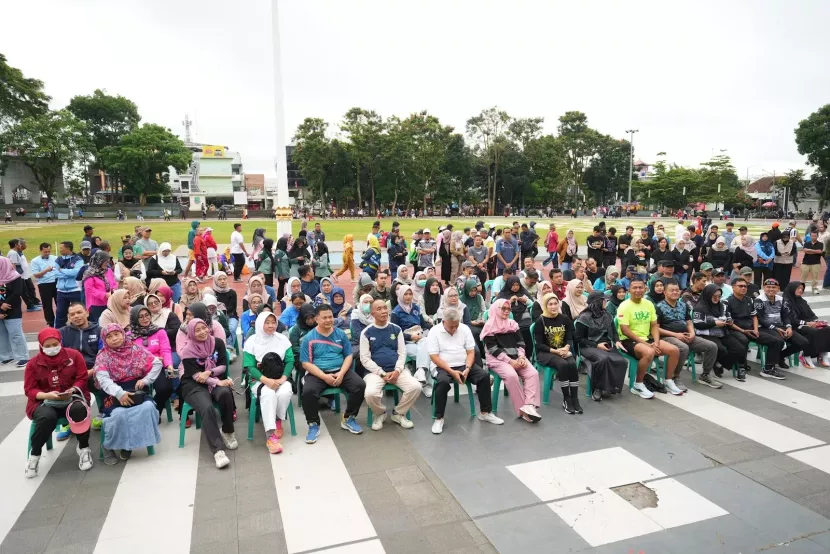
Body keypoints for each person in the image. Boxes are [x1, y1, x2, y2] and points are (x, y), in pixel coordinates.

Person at [24, 328, 92, 477]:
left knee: (79, 409)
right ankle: (34, 456)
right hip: (45, 402)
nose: (52, 348)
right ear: (41, 346)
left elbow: (82, 377)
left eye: (55, 344)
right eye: (47, 346)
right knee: (46, 417)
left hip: (72, 397)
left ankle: (84, 448)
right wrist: (47, 395)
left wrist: (73, 390)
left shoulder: (74, 356)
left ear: (60, 342)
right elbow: (29, 389)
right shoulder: (33, 364)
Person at [426, 307, 503, 434]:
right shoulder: (434, 331)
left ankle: (485, 412)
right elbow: (434, 356)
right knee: (443, 382)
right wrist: (451, 371)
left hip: (463, 364)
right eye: (451, 326)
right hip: (442, 366)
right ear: (444, 322)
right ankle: (439, 418)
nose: (454, 329)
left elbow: (470, 351)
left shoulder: (464, 328)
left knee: (484, 376)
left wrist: (467, 368)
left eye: (456, 325)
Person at [94, 323, 163, 464]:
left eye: (117, 334)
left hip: (136, 390)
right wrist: (119, 393)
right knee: (118, 415)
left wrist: (146, 380)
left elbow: (157, 363)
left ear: (123, 334)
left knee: (148, 408)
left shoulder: (135, 350)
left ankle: (127, 446)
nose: (114, 338)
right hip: (113, 394)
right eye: (109, 336)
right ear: (104, 340)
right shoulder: (102, 357)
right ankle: (109, 445)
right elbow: (103, 380)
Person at [300, 304, 366, 443]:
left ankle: (348, 418)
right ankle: (313, 425)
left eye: (330, 317)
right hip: (318, 373)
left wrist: (341, 373)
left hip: (340, 370)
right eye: (324, 317)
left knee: (359, 385)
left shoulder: (340, 334)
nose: (328, 320)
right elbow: (306, 363)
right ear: (316, 319)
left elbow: (348, 355)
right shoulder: (309, 338)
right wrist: (324, 377)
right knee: (308, 391)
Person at [178, 318, 236, 468]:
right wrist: (216, 381)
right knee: (207, 407)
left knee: (225, 394)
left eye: (203, 328)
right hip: (193, 385)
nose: (202, 332)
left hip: (214, 377)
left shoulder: (217, 342)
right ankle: (218, 450)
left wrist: (210, 372)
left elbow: (223, 365)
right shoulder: (187, 351)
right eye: (197, 330)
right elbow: (196, 376)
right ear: (191, 333)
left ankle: (228, 431)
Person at [617, 279, 684, 398]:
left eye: (640, 287)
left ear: (645, 289)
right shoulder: (624, 306)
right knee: (649, 352)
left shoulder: (648, 304)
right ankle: (638, 384)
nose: (638, 290)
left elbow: (654, 325)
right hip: (628, 341)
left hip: (648, 339)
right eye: (635, 288)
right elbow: (625, 330)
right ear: (629, 290)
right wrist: (648, 345)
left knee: (674, 350)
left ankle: (668, 380)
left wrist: (657, 342)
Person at [360, 299, 420, 430]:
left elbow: (402, 353)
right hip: (375, 373)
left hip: (397, 370)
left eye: (384, 308)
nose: (383, 311)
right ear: (372, 313)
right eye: (379, 309)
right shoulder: (366, 332)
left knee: (415, 387)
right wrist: (381, 373)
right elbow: (364, 359)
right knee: (370, 394)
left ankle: (398, 413)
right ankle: (380, 413)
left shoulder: (396, 329)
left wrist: (398, 370)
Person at [481, 298, 542, 421]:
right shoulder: (489, 326)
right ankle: (521, 410)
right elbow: (493, 350)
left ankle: (529, 406)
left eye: (508, 308)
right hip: (497, 359)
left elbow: (520, 342)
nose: (506, 311)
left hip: (516, 357)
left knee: (532, 373)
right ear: (496, 309)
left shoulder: (512, 324)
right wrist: (510, 361)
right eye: (503, 308)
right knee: (511, 375)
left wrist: (521, 357)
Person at [244, 312, 294, 454]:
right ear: (260, 324)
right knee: (268, 393)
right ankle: (270, 436)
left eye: (273, 322)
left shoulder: (282, 339)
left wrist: (283, 378)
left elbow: (290, 361)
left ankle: (278, 419)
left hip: (280, 377)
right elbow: (250, 367)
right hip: (259, 380)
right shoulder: (252, 342)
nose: (271, 325)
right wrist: (266, 380)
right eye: (267, 322)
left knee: (285, 392)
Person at [656, 280, 719, 388]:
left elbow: (689, 322)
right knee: (683, 348)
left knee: (712, 346)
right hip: (667, 337)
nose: (675, 292)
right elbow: (656, 329)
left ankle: (705, 375)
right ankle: (675, 377)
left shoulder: (682, 305)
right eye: (672, 290)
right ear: (665, 292)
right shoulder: (658, 307)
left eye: (677, 290)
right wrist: (676, 335)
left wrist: (692, 333)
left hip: (686, 335)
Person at [574, 292, 629, 401]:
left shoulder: (607, 315)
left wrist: (617, 341)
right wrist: (596, 345)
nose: (606, 302)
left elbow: (613, 331)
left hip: (605, 345)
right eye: (604, 300)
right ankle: (597, 388)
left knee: (622, 361)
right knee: (603, 359)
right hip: (588, 346)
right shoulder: (584, 318)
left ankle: (611, 386)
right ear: (597, 302)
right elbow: (579, 339)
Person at [692, 284, 745, 379]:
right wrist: (715, 323)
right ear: (708, 295)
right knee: (721, 349)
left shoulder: (722, 306)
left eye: (719, 296)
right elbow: (697, 324)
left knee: (739, 349)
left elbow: (728, 317)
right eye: (714, 296)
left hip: (722, 332)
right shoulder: (700, 308)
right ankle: (711, 366)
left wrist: (729, 321)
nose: (717, 298)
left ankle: (719, 364)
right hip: (706, 334)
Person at [390, 285, 433, 392]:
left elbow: (423, 325)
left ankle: (421, 373)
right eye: (405, 294)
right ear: (400, 295)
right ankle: (425, 382)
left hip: (420, 338)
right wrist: (410, 336)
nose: (408, 297)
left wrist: (427, 330)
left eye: (410, 294)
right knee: (426, 354)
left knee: (428, 346)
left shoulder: (416, 308)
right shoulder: (396, 312)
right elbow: (394, 334)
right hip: (406, 342)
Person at [782, 281, 830, 368]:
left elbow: (811, 314)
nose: (800, 290)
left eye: (802, 289)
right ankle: (805, 356)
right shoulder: (785, 301)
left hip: (805, 324)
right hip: (793, 326)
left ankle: (823, 354)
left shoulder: (802, 301)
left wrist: (816, 322)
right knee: (813, 331)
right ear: (792, 288)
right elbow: (791, 318)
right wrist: (807, 323)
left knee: (826, 328)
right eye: (798, 288)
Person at [0, 257, 29, 366]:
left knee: (15, 333)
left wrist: (4, 307)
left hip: (13, 308)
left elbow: (17, 293)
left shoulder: (15, 277)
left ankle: (23, 356)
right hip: (0, 308)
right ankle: (6, 356)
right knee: (1, 334)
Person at [54, 241, 84, 329]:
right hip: (61, 291)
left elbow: (76, 272)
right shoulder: (58, 259)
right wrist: (68, 272)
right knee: (60, 314)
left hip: (75, 290)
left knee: (79, 312)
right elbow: (55, 273)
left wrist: (61, 270)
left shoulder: (78, 259)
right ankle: (58, 333)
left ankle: (82, 330)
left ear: (67, 249)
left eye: (61, 248)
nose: (60, 250)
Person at [81, 250, 116, 323]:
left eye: (108, 261)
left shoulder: (108, 270)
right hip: (96, 305)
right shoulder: (89, 273)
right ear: (98, 261)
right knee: (98, 325)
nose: (107, 264)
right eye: (105, 262)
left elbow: (113, 282)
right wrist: (104, 295)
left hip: (109, 302)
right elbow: (89, 289)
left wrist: (114, 290)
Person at [30, 242, 59, 327]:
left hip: (56, 282)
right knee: (47, 305)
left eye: (49, 251)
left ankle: (61, 320)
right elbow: (36, 275)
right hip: (44, 284)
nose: (47, 253)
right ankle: (50, 322)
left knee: (60, 303)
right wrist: (46, 270)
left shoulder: (55, 258)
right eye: (45, 252)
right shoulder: (35, 261)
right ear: (40, 250)